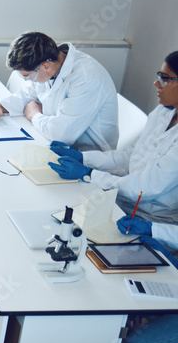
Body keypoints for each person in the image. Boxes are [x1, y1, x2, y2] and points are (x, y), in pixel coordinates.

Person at [50, 51, 178, 223]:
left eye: (165, 78)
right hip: (123, 203)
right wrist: (83, 158)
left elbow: (146, 187)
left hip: (149, 221)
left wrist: (89, 174)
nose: (156, 83)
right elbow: (130, 157)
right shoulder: (162, 113)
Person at [0, 31, 118, 151]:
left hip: (85, 159)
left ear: (46, 66)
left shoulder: (87, 78)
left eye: (28, 76)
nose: (28, 80)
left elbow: (62, 134)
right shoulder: (51, 65)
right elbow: (28, 95)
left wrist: (34, 114)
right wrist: (0, 107)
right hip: (50, 143)